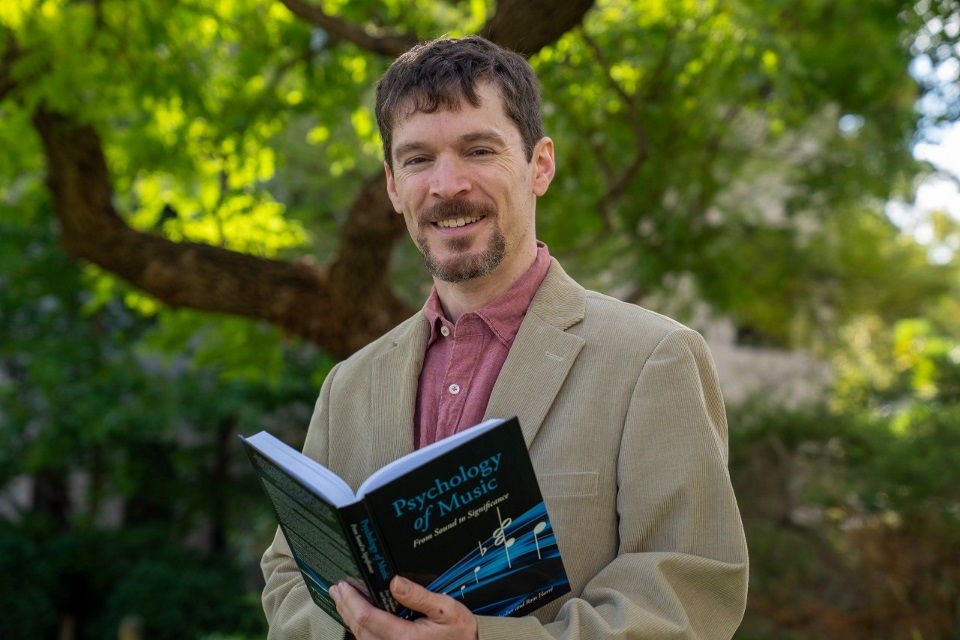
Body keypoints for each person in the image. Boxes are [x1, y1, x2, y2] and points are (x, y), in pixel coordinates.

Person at [260, 35, 748, 640]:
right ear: (392, 186)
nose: (447, 185)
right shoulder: (347, 385)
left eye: (478, 149)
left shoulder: (656, 359)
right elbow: (286, 576)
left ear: (539, 164)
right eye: (417, 160)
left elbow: (687, 598)